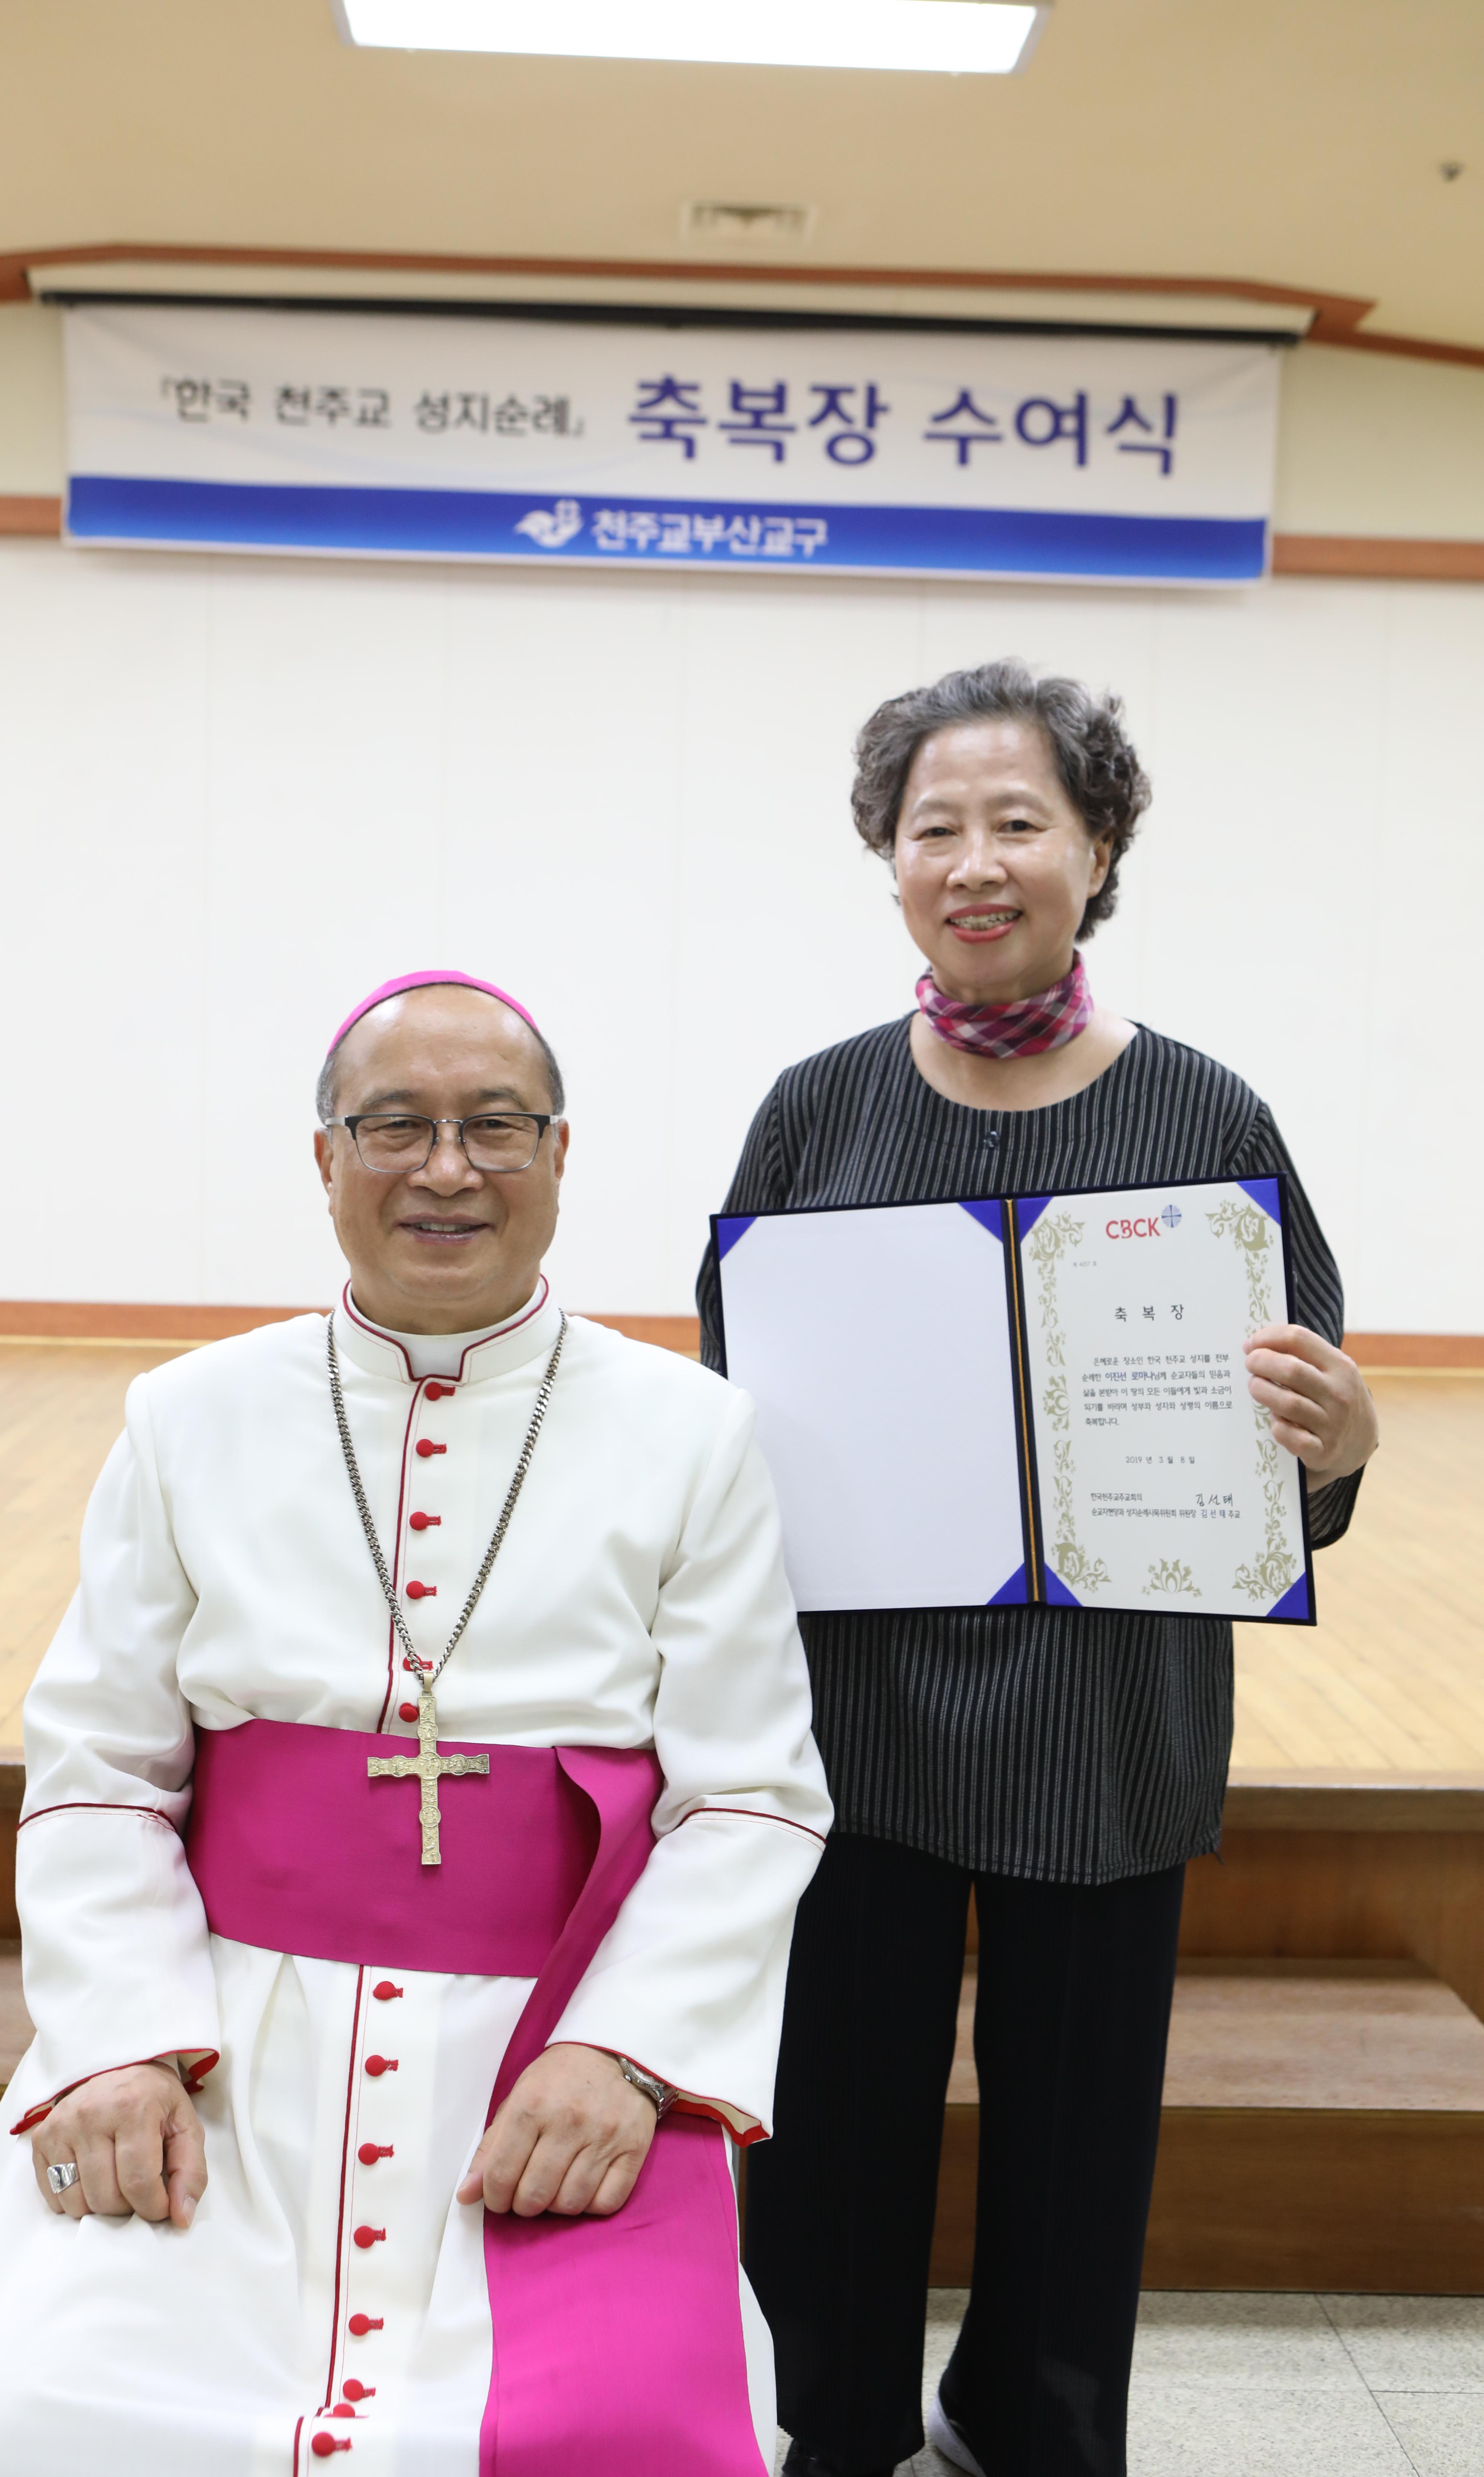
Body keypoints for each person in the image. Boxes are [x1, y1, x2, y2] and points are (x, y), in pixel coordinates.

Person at [0, 968, 831, 2477]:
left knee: (625, 2433)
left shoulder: (691, 1431)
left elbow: (750, 1799)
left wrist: (623, 2056)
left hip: (542, 2043)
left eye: (494, 1125)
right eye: (395, 1125)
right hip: (223, 2030)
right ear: (325, 1157)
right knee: (52, 2409)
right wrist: (124, 2044)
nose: (446, 1168)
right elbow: (98, 1770)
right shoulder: (188, 1416)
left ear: (560, 1152)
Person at [696, 664, 1379, 2477]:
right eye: (936, 828)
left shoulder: (1206, 1118)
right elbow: (730, 1410)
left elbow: (1292, 1430)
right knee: (832, 2119)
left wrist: (1340, 1445)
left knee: (1082, 2134)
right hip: (857, 1711)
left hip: (1109, 1711)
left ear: (1097, 850)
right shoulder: (814, 1113)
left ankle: (1039, 2422)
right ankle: (827, 2423)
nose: (975, 861)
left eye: (1019, 823)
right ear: (889, 862)